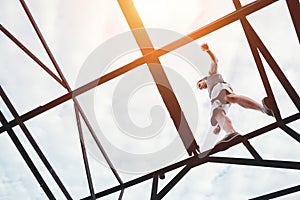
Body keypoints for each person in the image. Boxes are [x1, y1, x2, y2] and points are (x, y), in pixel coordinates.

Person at [197, 43, 274, 143]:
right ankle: (230, 132)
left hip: (220, 90)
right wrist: (219, 126)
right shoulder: (210, 90)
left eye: (199, 84)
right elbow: (221, 112)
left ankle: (263, 109)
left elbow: (215, 61)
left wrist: (208, 51)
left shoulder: (211, 76)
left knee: (229, 98)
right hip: (216, 98)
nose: (200, 87)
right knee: (217, 113)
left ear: (203, 80)